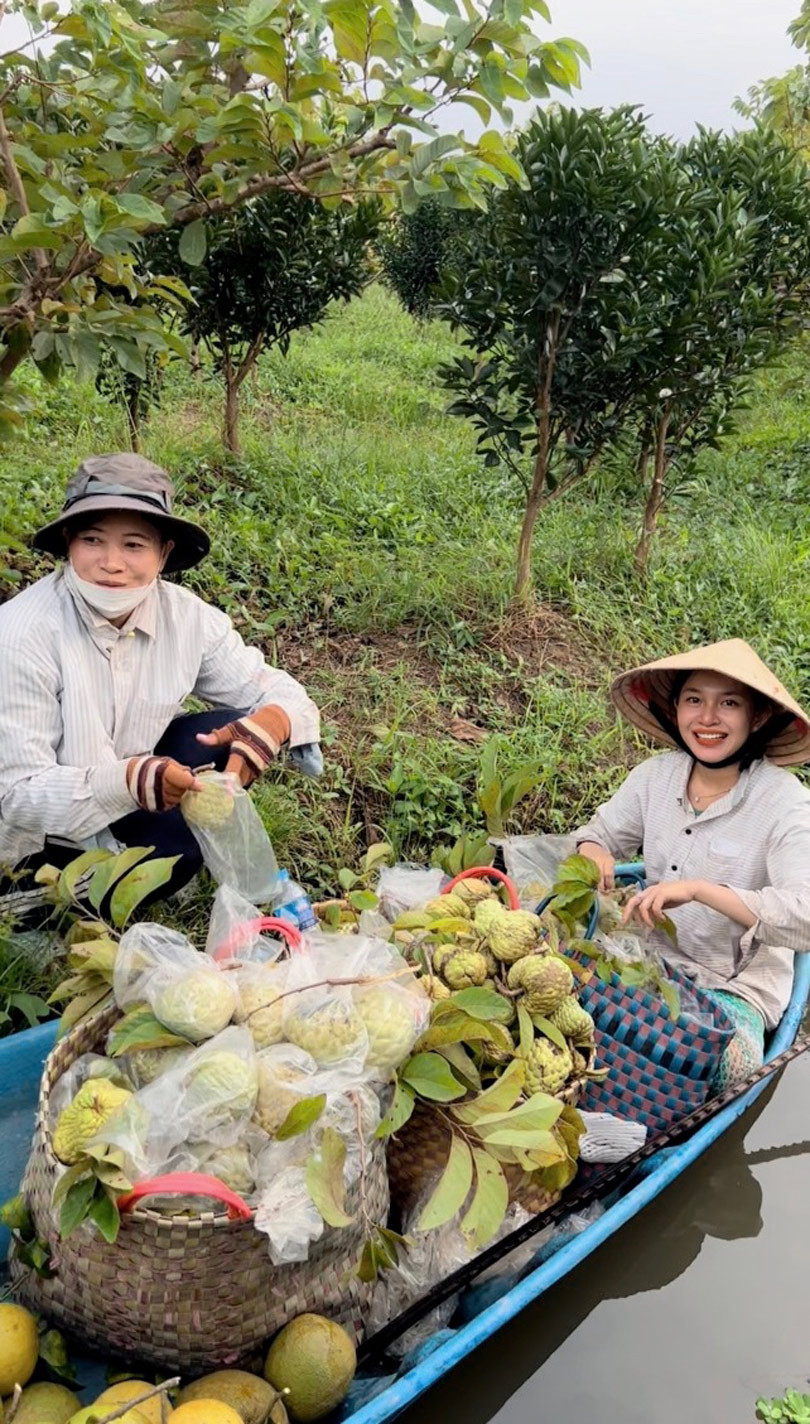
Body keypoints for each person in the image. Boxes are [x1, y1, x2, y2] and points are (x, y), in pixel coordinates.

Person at [0, 453, 321, 904]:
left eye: (134, 545)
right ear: (69, 542)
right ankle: (39, 902)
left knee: (233, 731)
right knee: (177, 849)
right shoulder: (19, 636)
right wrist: (131, 781)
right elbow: (16, 796)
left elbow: (276, 690)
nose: (112, 563)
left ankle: (137, 864)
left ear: (163, 552)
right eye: (93, 540)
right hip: (36, 835)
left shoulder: (187, 619)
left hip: (129, 790)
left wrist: (276, 721)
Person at [573, 639, 810, 1086]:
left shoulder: (786, 804)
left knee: (721, 1068)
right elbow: (594, 836)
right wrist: (595, 852)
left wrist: (702, 891)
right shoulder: (655, 777)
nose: (707, 719)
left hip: (733, 988)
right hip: (647, 959)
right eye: (694, 700)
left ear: (757, 716)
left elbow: (806, 918)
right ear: (676, 707)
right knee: (566, 1009)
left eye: (729, 704)